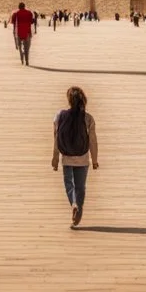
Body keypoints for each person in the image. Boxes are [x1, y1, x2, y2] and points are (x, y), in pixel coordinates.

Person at [52, 86, 98, 227]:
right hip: (83, 158)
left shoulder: (60, 116)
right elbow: (93, 141)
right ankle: (78, 208)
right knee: (80, 186)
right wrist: (94, 160)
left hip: (66, 156)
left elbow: (56, 138)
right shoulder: (88, 118)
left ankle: (73, 203)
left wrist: (55, 158)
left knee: (69, 184)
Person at [10, 2, 35, 66]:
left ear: (19, 7)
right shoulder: (29, 13)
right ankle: (27, 61)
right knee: (27, 47)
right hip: (27, 32)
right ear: (24, 6)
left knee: (20, 47)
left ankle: (22, 59)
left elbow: (12, 22)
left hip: (18, 32)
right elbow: (32, 22)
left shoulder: (15, 14)